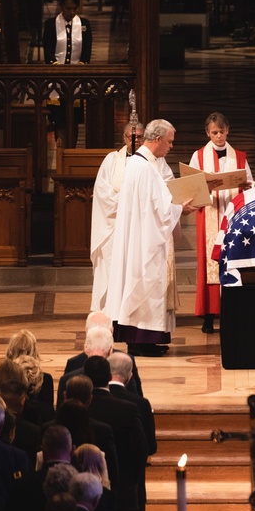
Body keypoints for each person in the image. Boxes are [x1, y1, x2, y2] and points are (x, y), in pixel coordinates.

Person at [97, 118, 197, 356]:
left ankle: (144, 340)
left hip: (140, 237)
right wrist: (180, 209)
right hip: (145, 241)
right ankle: (142, 340)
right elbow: (159, 209)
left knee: (141, 288)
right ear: (158, 139)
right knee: (146, 286)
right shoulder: (145, 168)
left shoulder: (139, 164)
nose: (171, 147)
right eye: (170, 142)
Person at [187, 111, 253, 335]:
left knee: (234, 261)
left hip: (233, 214)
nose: (218, 136)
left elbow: (251, 184)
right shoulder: (198, 156)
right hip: (210, 213)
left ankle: (232, 312)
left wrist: (245, 186)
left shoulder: (240, 157)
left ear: (228, 130)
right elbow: (190, 185)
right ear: (207, 133)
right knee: (210, 264)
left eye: (221, 132)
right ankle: (209, 315)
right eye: (214, 132)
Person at [88, 119, 144, 316]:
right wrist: (128, 200)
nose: (135, 141)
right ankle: (109, 312)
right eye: (131, 137)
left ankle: (132, 312)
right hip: (114, 226)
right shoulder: (112, 160)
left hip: (139, 228)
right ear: (124, 138)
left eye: (139, 138)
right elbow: (102, 191)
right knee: (111, 268)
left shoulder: (152, 161)